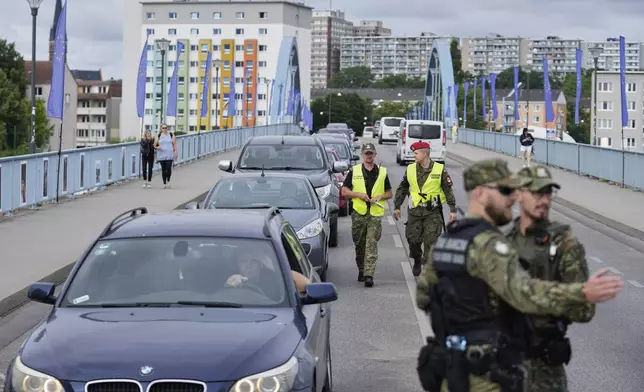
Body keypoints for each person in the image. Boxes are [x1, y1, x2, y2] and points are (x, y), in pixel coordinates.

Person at [415, 158, 623, 392]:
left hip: (470, 369)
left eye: (548, 193)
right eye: (507, 191)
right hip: (490, 371)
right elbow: (522, 291)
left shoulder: (449, 240)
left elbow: (424, 297)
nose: (512, 198)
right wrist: (581, 292)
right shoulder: (493, 243)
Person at [507, 165, 592, 392]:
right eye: (537, 193)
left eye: (548, 193)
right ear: (518, 195)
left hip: (544, 374)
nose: (544, 200)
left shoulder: (564, 242)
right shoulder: (501, 243)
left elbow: (584, 309)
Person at [393, 141, 457, 277]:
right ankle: (417, 259)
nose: (413, 156)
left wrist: (452, 209)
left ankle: (428, 272)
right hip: (415, 212)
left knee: (431, 242)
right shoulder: (410, 169)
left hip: (432, 213)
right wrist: (397, 206)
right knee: (413, 241)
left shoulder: (440, 169)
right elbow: (402, 188)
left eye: (415, 153)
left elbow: (448, 190)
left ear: (425, 153)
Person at [341, 142, 393, 287]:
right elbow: (344, 191)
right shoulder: (355, 171)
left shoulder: (382, 172)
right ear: (362, 155)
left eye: (371, 154)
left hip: (375, 213)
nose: (368, 156)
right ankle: (362, 269)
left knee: (371, 243)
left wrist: (380, 197)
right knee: (359, 244)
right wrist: (358, 194)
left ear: (375, 155)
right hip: (359, 213)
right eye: (366, 154)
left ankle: (369, 274)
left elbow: (389, 193)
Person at [154, 124, 178, 188]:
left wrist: (176, 153)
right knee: (163, 169)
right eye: (163, 128)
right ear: (161, 129)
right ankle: (164, 183)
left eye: (165, 128)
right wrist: (157, 147)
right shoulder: (158, 136)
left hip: (169, 155)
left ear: (167, 128)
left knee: (169, 169)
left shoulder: (171, 135)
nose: (164, 129)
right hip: (161, 155)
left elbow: (175, 145)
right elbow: (154, 145)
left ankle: (168, 180)